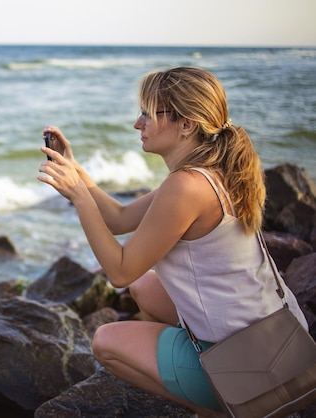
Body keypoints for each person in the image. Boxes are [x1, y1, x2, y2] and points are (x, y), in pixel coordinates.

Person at [37, 66, 309, 417]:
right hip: (283, 344)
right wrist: (76, 172)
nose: (138, 123)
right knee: (144, 286)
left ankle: (222, 408)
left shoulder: (187, 187)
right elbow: (119, 219)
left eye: (148, 114)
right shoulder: (212, 170)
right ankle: (196, 373)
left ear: (186, 124)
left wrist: (80, 198)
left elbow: (118, 271)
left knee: (105, 341)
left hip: (251, 370)